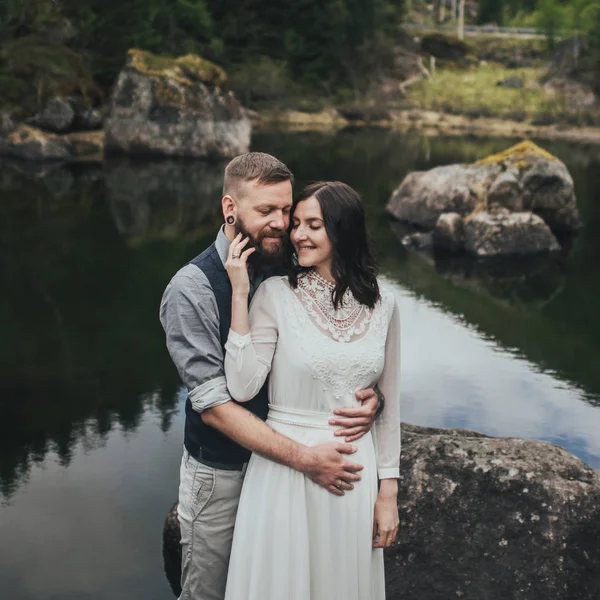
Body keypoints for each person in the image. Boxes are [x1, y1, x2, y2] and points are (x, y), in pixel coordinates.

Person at [160, 153, 384, 600]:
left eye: (286, 209)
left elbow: (337, 341)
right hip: (226, 474)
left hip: (287, 477)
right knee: (213, 594)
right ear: (230, 209)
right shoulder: (191, 289)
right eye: (266, 212)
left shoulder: (290, 262)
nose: (283, 224)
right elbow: (217, 410)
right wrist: (304, 458)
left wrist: (368, 394)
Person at [223, 181, 401, 600]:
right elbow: (242, 386)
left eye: (313, 225)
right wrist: (240, 291)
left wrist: (387, 493)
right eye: (296, 223)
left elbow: (390, 403)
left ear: (343, 231)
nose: (298, 234)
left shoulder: (385, 303)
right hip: (285, 474)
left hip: (354, 481)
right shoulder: (274, 294)